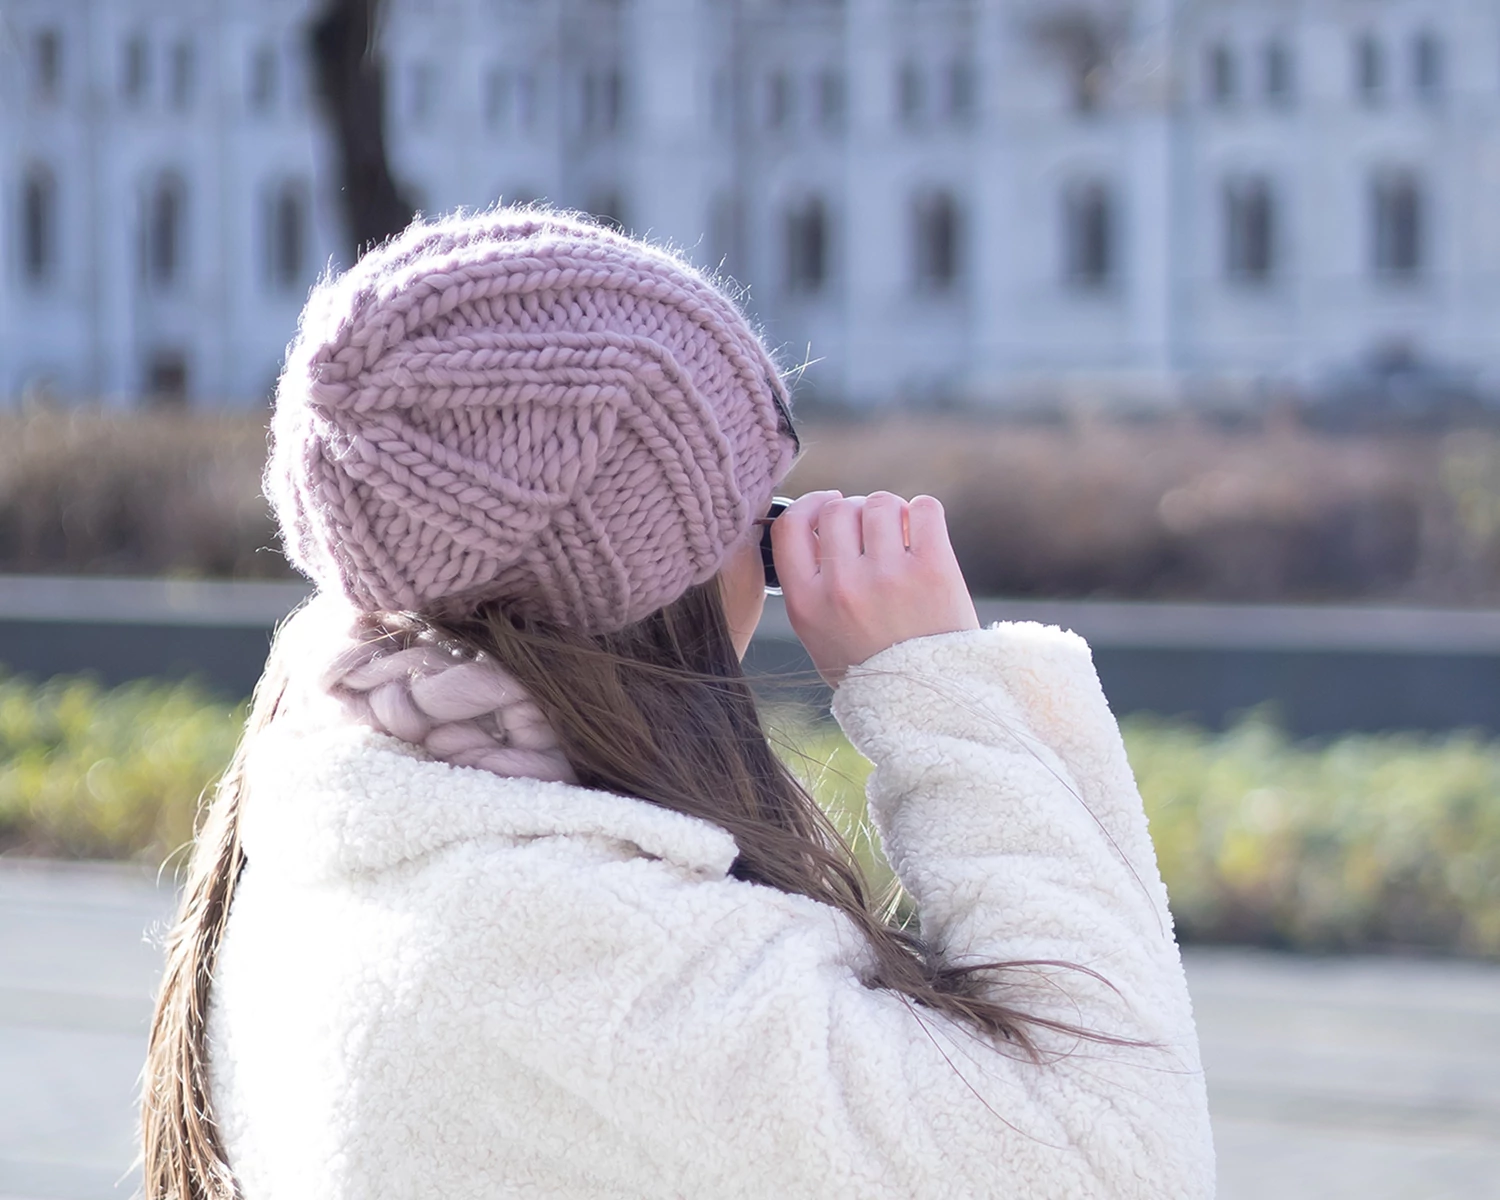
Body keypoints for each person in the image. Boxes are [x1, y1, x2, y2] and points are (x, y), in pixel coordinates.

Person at [142, 208, 1214, 1199]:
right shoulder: (585, 952)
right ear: (660, 583)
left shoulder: (345, 814)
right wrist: (944, 693)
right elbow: (1114, 1161)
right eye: (760, 516)